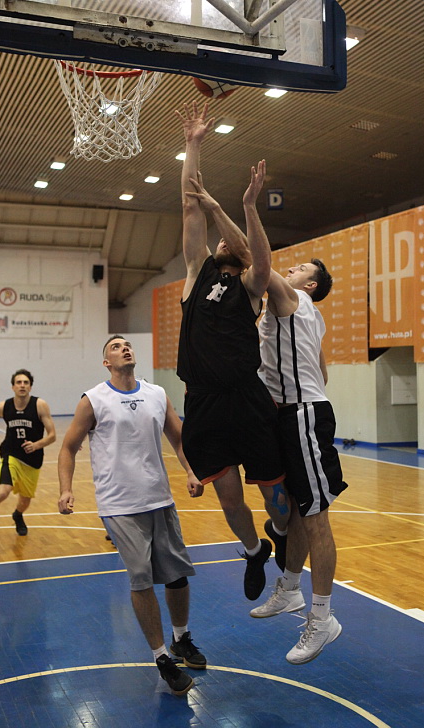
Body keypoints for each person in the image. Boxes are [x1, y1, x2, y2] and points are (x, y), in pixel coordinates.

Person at [175, 101, 289, 602]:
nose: (220, 243)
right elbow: (188, 205)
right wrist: (193, 144)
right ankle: (253, 550)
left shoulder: (249, 285)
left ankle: (280, 532)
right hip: (203, 401)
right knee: (227, 498)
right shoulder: (196, 274)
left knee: (273, 493)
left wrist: (233, 207)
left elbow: (259, 258)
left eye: (228, 241)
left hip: (246, 398)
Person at [58, 335, 205, 697]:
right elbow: (68, 447)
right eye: (115, 346)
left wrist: (191, 470)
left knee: (176, 576)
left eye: (126, 344)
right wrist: (66, 489)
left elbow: (179, 438)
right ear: (106, 362)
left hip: (160, 499)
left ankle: (181, 638)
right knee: (141, 577)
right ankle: (161, 657)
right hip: (119, 505)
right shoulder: (93, 399)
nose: (124, 348)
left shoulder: (156, 393)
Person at [250, 260, 348, 665]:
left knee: (316, 519)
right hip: (290, 413)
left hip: (303, 414)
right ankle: (290, 589)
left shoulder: (294, 298)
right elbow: (321, 369)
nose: (292, 267)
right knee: (296, 513)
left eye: (302, 267)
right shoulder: (309, 317)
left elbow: (257, 261)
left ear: (310, 285)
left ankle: (323, 619)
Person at [0, 369, 56, 546]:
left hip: (32, 459)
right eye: (18, 382)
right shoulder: (4, 406)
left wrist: (36, 445)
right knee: (3, 491)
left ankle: (18, 515)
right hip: (11, 454)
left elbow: (52, 435)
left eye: (26, 382)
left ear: (30, 387)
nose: (22, 385)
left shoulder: (40, 405)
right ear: (13, 387)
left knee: (25, 500)